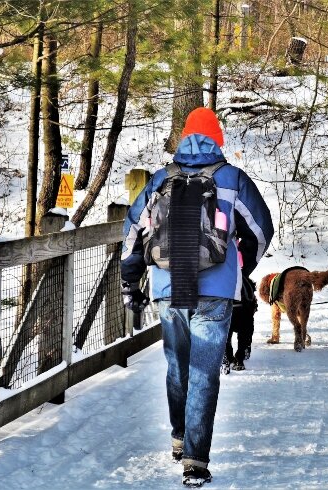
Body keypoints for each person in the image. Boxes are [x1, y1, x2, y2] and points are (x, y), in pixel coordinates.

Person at [120, 107, 273, 487]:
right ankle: (195, 459)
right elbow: (261, 230)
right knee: (205, 372)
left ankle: (178, 435)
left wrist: (130, 281)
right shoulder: (232, 180)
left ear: (183, 139)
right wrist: (240, 268)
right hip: (215, 292)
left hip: (169, 289)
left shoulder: (159, 180)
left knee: (177, 365)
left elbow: (132, 236)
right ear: (217, 139)